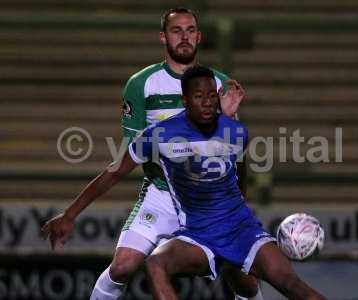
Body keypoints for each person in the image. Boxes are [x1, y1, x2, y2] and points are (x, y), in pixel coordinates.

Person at [42, 7, 261, 300]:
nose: (184, 37)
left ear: (199, 36)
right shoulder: (141, 84)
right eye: (176, 30)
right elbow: (125, 159)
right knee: (122, 266)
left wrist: (240, 201)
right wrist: (71, 214)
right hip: (161, 194)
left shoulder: (219, 84)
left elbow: (235, 153)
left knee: (244, 279)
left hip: (211, 200)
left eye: (190, 30)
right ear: (163, 37)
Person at [133, 66, 325, 300]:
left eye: (212, 96)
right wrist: (72, 214)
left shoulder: (237, 132)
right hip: (198, 235)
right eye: (199, 96)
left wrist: (239, 210)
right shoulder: (161, 134)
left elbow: (240, 169)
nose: (206, 102)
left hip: (240, 230)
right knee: (155, 264)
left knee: (291, 286)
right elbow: (112, 172)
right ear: (185, 99)